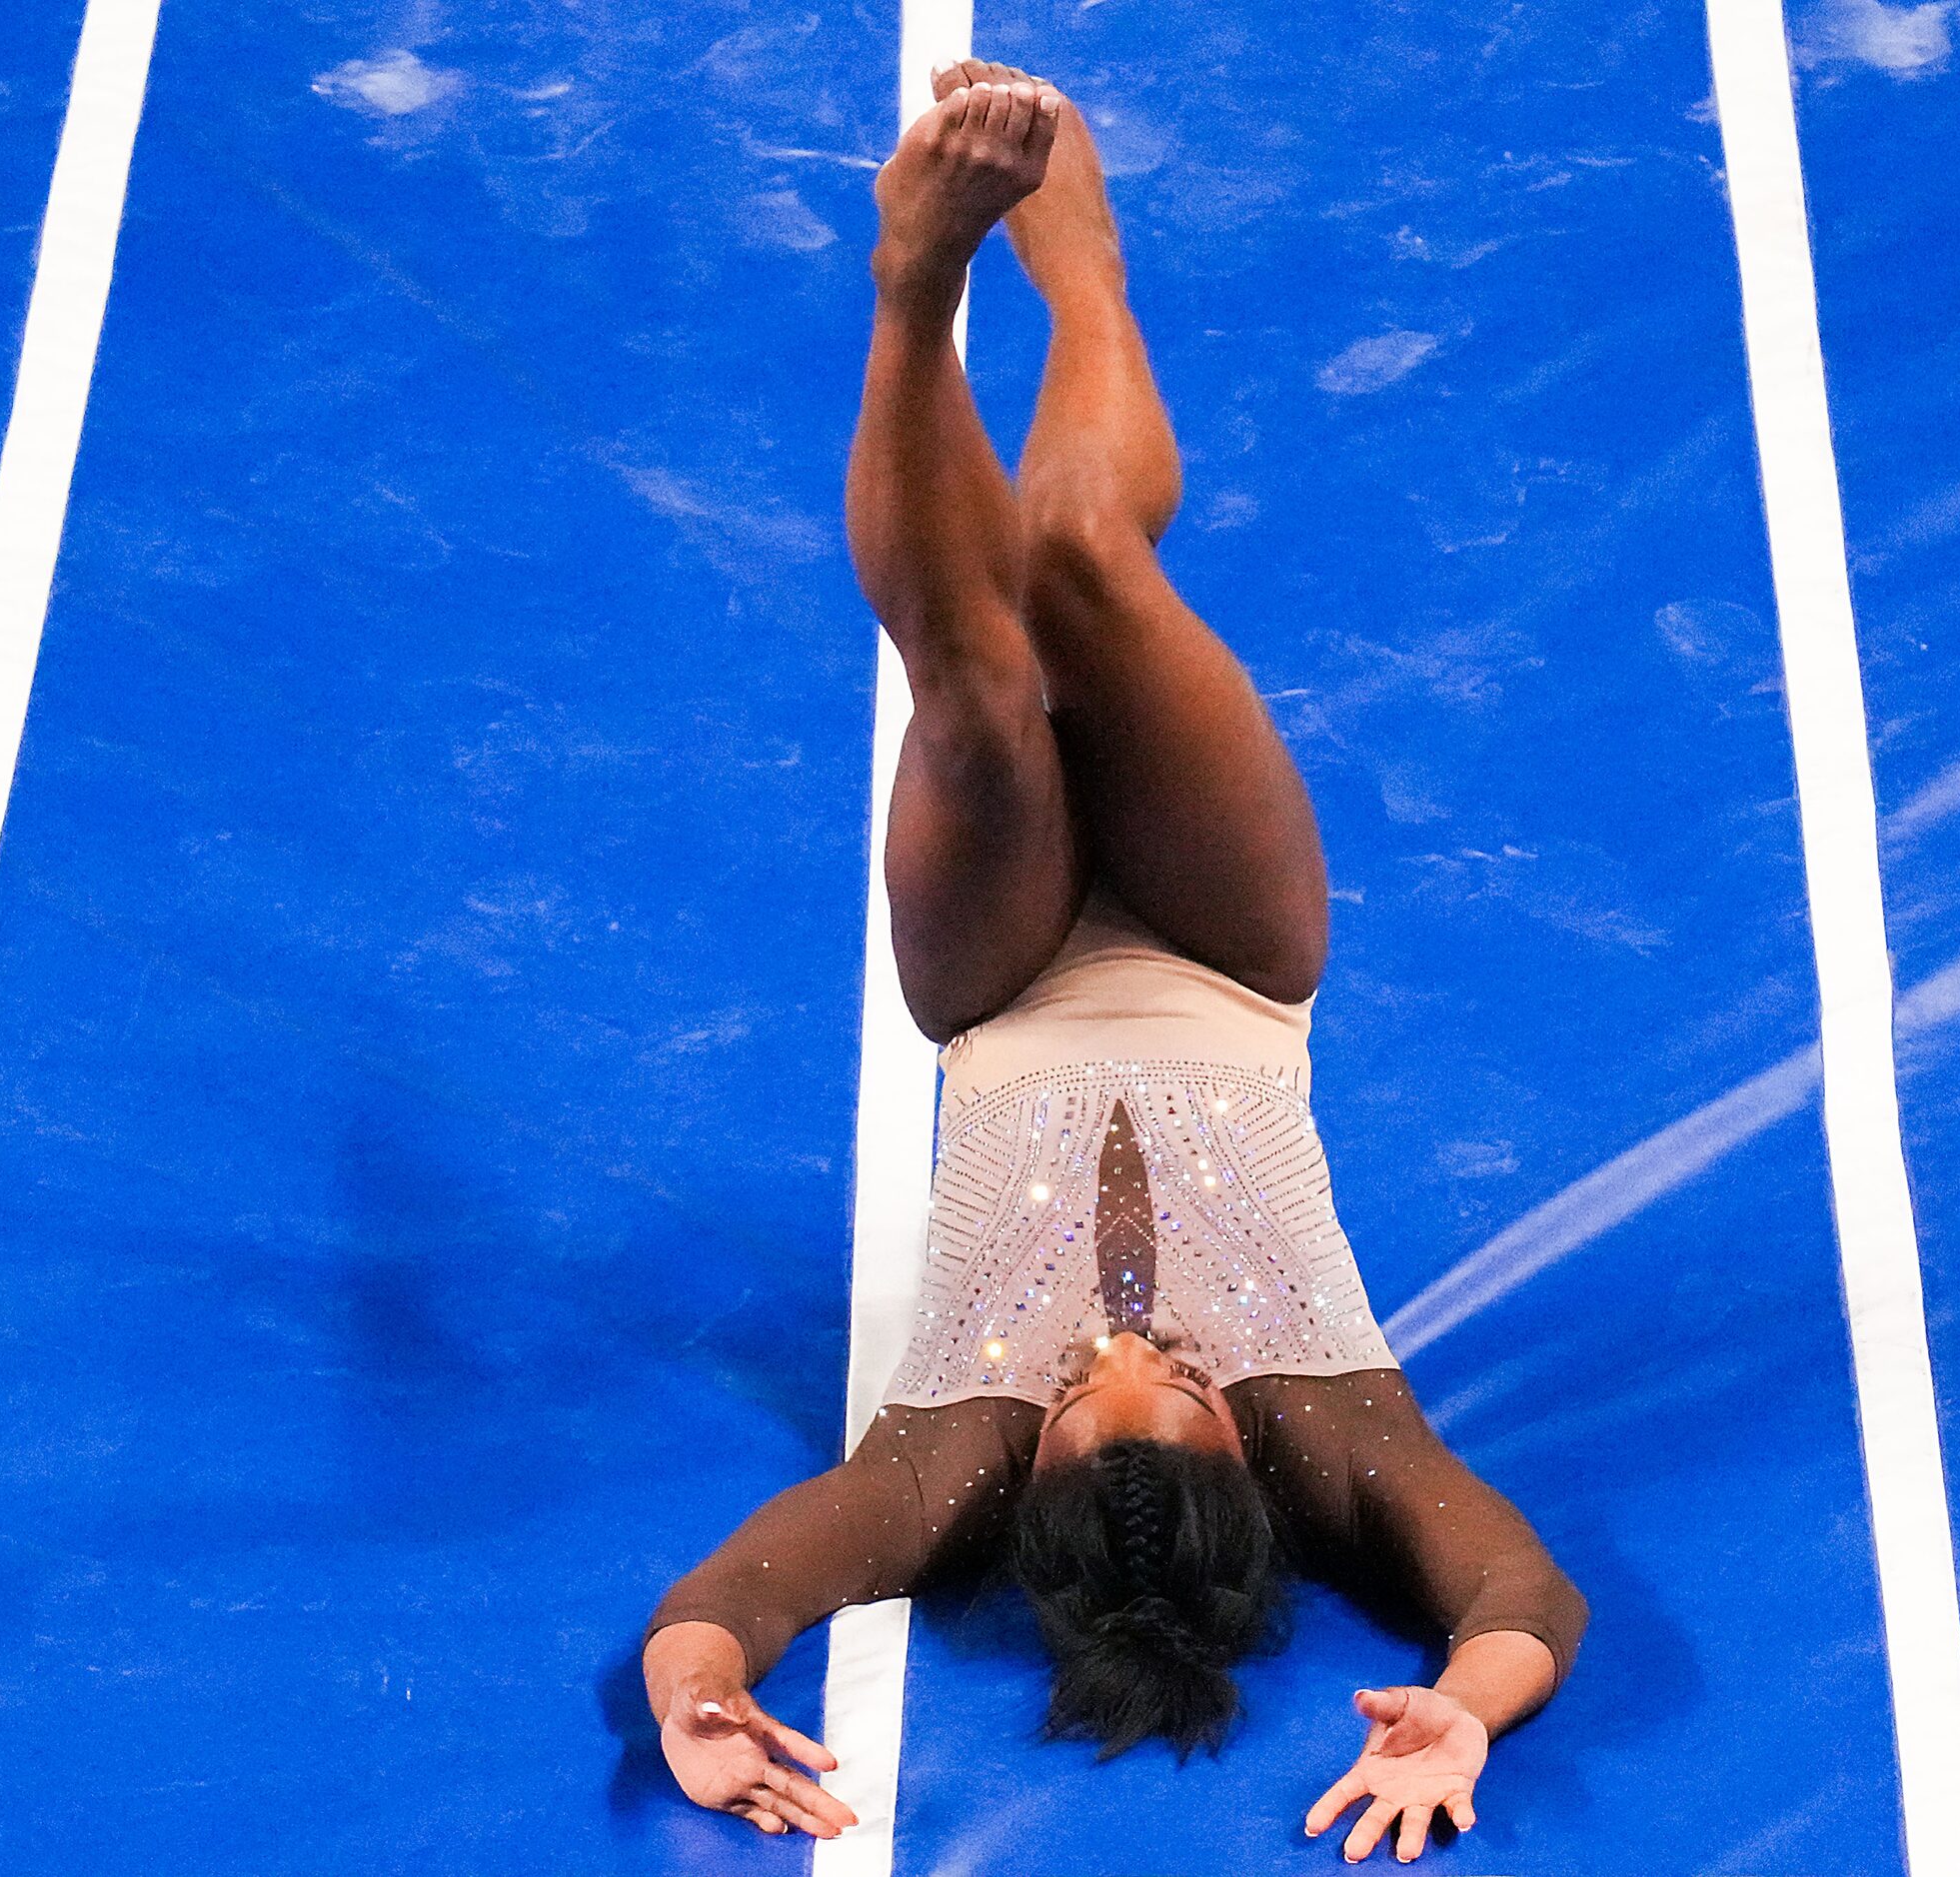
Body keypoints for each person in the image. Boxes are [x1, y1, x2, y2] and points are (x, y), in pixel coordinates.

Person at [641, 62, 1586, 1863]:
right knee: (1076, 556)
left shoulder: (950, 1458)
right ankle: (1086, 282)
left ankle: (915, 286)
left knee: (984, 701)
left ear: (1034, 1476)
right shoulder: (1333, 1429)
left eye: (1088, 1390)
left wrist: (696, 1699)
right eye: (1182, 1387)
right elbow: (1517, 1584)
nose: (1131, 1344)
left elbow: (741, 1593)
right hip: (1230, 958)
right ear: (1248, 1468)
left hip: (998, 990)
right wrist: (1467, 1701)